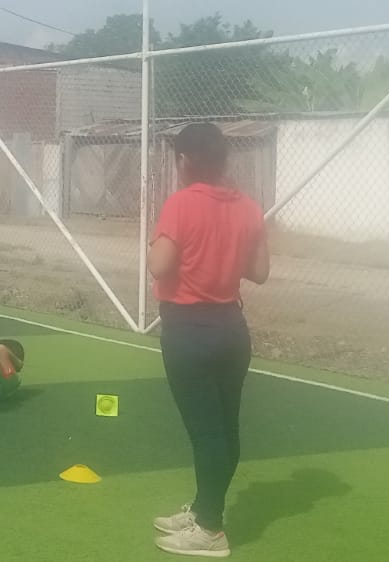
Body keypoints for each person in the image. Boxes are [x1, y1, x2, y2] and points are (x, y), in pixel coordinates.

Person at [147, 122, 270, 558]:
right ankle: (204, 509)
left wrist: (159, 244)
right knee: (224, 427)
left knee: (206, 433)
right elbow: (259, 271)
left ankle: (211, 529)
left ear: (184, 160)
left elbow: (160, 267)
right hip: (231, 331)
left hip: (189, 332)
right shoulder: (249, 207)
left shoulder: (180, 203)